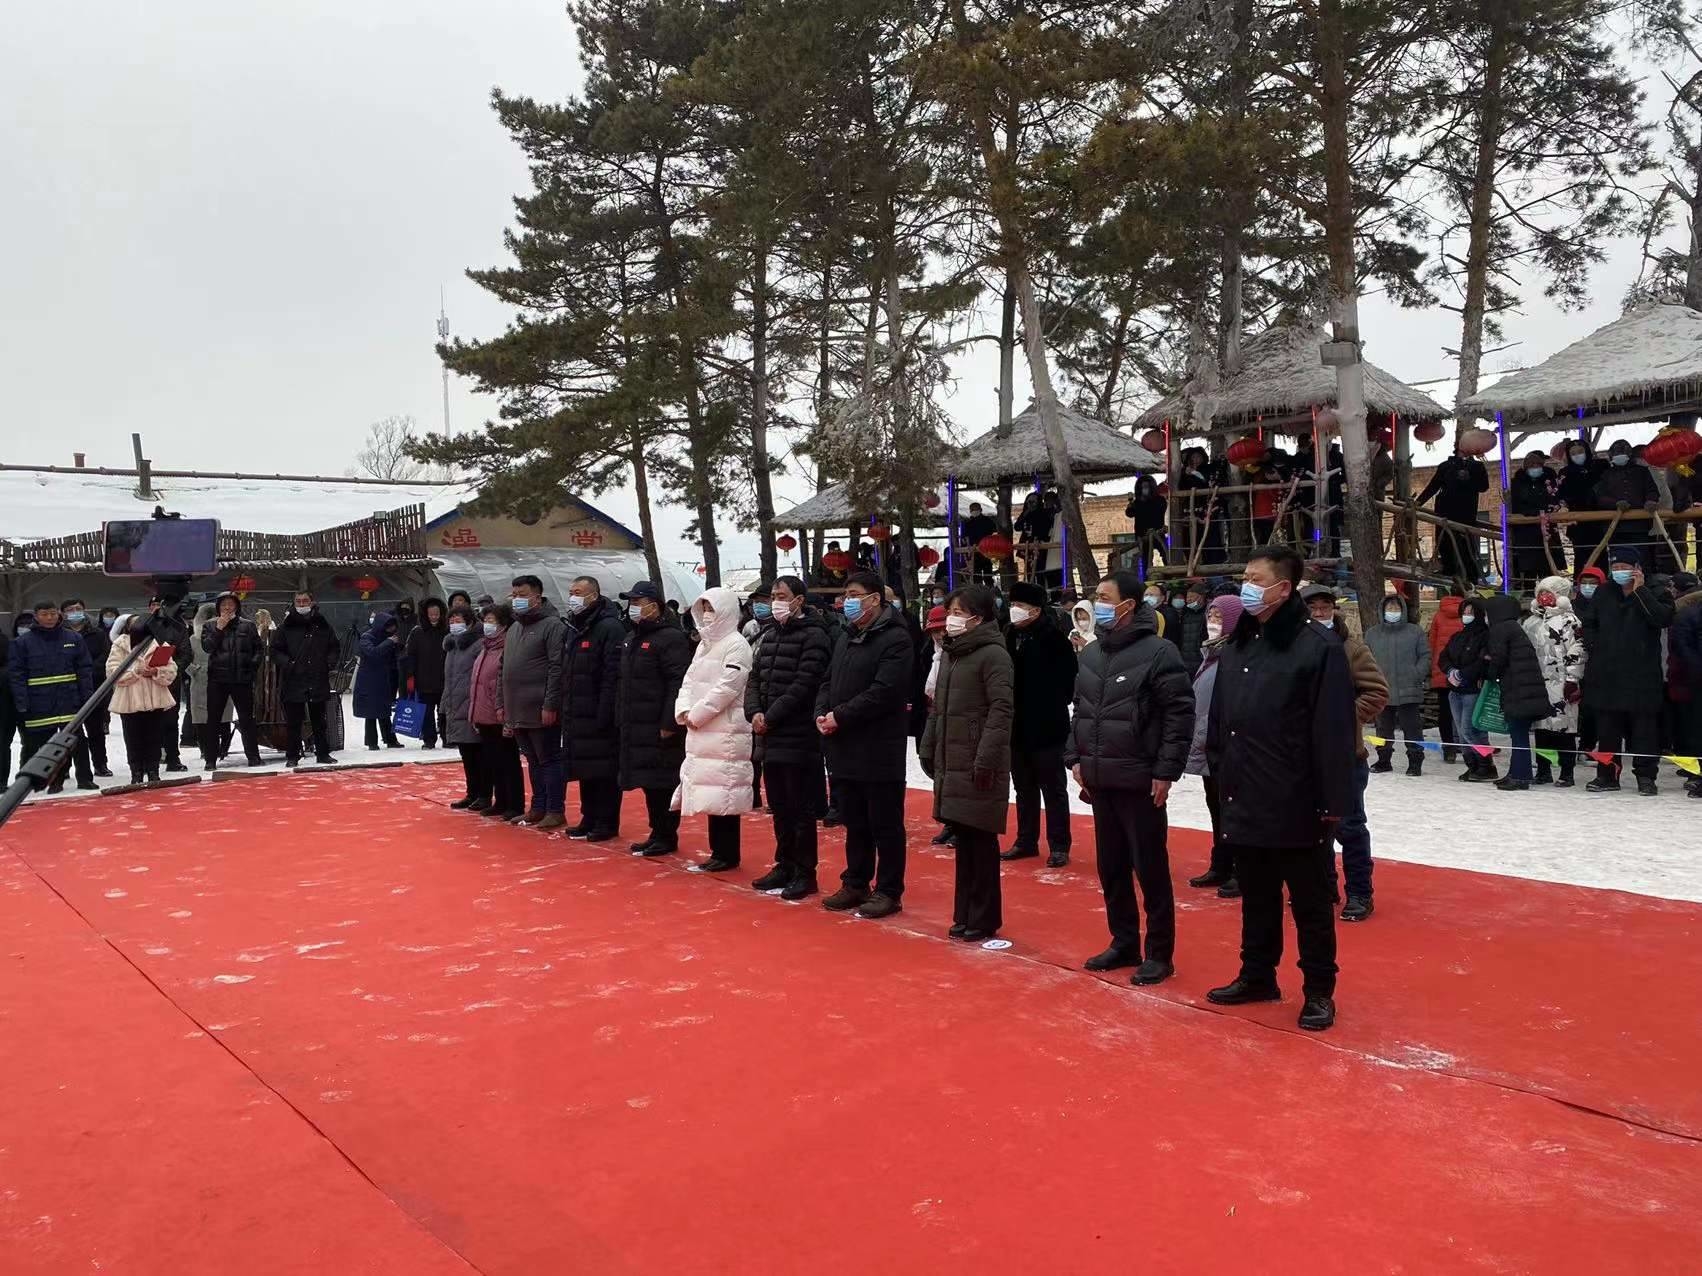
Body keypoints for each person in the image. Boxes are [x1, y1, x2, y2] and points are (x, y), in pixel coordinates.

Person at [1205, 547, 1355, 1031]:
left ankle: (1318, 991)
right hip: (1243, 793)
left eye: (1255, 578)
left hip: (1298, 798)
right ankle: (1257, 975)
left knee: (1310, 902)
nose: (1245, 585)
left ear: (1283, 588)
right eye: (1243, 576)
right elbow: (1221, 722)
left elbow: (1333, 731)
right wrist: (1218, 771)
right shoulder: (1238, 645)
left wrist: (1332, 803)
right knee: (1256, 895)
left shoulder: (1318, 646)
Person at [1066, 569, 1194, 985]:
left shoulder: (1160, 653)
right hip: (1100, 778)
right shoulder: (1091, 654)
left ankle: (1160, 952)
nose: (1097, 603)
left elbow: (1179, 716)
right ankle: (1123, 941)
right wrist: (1075, 757)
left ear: (1128, 605)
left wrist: (1166, 771)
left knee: (1150, 868)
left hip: (1141, 778)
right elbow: (1081, 711)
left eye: (1105, 597)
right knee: (1112, 867)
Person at [816, 571, 915, 918]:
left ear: (875, 598)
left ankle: (888, 890)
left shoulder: (896, 639)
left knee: (884, 823)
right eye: (845, 594)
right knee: (854, 821)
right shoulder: (846, 635)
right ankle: (855, 881)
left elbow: (884, 692)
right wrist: (822, 712)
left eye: (854, 593)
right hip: (844, 745)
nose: (847, 600)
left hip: (878, 747)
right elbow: (828, 679)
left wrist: (839, 715)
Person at [919, 585, 1014, 941]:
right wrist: (929, 747)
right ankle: (965, 912)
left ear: (980, 615)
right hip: (953, 757)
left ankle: (984, 916)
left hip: (977, 759)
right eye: (951, 610)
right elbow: (938, 709)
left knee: (981, 842)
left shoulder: (993, 655)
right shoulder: (952, 653)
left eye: (959, 610)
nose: (953, 617)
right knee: (964, 841)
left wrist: (986, 757)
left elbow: (1001, 710)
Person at [1300, 584, 1389, 923]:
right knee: (1310, 827)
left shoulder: (1350, 648)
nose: (1320, 614)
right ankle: (1323, 887)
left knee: (1349, 826)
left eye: (1325, 607)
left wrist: (1343, 716)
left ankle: (1360, 892)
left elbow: (1377, 691)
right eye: (1313, 608)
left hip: (1344, 755)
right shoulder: (1292, 648)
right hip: (1304, 755)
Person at [746, 576, 833, 897]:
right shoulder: (769, 635)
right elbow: (755, 678)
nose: (775, 601)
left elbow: (805, 683)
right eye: (773, 595)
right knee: (780, 806)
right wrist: (753, 711)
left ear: (799, 600)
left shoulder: (815, 635)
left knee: (801, 808)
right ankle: (784, 863)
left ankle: (804, 871)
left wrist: (771, 716)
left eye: (782, 595)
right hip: (770, 735)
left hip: (798, 734)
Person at [1581, 548, 1675, 795]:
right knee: (1607, 731)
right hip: (1607, 674)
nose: (1619, 571)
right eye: (1616, 567)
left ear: (1638, 567)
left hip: (1641, 676)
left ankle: (1646, 777)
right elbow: (1589, 622)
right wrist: (1595, 645)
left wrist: (1640, 590)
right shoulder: (1604, 592)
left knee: (1645, 732)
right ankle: (1607, 776)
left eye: (1625, 566)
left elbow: (1662, 618)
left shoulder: (1657, 591)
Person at [674, 586, 754, 872]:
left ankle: (727, 853)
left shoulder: (736, 644)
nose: (707, 615)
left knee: (726, 791)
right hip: (702, 728)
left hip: (726, 729)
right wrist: (684, 710)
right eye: (704, 608)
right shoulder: (705, 644)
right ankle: (718, 850)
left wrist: (697, 714)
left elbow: (728, 687)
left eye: (712, 609)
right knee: (712, 791)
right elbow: (688, 680)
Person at [1001, 580, 1076, 868]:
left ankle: (1059, 844)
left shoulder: (1054, 639)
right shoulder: (1007, 634)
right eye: (1012, 605)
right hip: (1016, 726)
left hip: (1047, 726)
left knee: (1053, 788)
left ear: (1035, 610)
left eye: (1020, 606)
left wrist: (1046, 699)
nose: (1014, 611)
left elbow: (1068, 682)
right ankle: (1026, 840)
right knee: (1023, 787)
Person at [617, 581, 691, 857]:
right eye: (631, 602)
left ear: (654, 605)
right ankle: (656, 831)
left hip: (659, 723)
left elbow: (677, 683)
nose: (633, 608)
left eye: (638, 602)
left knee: (663, 781)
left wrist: (669, 723)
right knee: (648, 782)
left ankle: (666, 834)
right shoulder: (631, 637)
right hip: (636, 721)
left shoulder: (670, 637)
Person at [1184, 595, 1244, 898]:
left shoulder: (1237, 657)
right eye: (1211, 616)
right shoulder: (1210, 654)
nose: (1213, 623)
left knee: (1233, 811)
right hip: (1209, 746)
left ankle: (1240, 870)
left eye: (1220, 617)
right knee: (1216, 808)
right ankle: (1220, 863)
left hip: (1230, 748)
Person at [560, 576, 626, 841]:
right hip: (578, 710)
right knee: (586, 769)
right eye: (571, 592)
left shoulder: (609, 627)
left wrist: (605, 711)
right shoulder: (575, 626)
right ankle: (589, 816)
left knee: (605, 771)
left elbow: (612, 674)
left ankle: (606, 821)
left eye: (578, 592)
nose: (573, 597)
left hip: (600, 711)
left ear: (594, 595)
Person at [10, 599, 98, 793]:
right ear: (36, 617)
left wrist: (87, 697)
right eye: (44, 614)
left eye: (52, 613)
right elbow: (17, 674)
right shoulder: (22, 643)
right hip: (38, 703)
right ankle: (49, 782)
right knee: (41, 746)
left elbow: (84, 669)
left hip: (70, 700)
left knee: (77, 743)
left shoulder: (73, 638)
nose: (49, 618)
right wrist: (22, 702)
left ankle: (85, 778)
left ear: (58, 614)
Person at [503, 575, 567, 827]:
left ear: (537, 597)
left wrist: (550, 703)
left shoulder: (552, 626)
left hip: (541, 707)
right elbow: (503, 669)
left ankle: (555, 808)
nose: (517, 599)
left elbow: (556, 667)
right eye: (514, 594)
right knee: (532, 759)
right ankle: (538, 806)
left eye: (522, 594)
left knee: (549, 758)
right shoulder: (515, 627)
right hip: (517, 708)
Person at [1480, 593, 1553, 791]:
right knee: (1518, 733)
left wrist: (1488, 672)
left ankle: (1520, 776)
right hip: (1526, 689)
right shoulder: (1514, 627)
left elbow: (1499, 658)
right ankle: (1516, 772)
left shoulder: (1500, 629)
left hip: (1518, 690)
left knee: (1519, 734)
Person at [1524, 576, 1587, 787]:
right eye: (1540, 593)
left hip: (1562, 683)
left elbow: (1578, 650)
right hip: (1538, 683)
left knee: (1564, 730)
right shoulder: (1531, 622)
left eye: (1549, 593)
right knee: (1541, 730)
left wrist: (1572, 678)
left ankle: (1567, 772)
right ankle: (1543, 770)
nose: (1544, 597)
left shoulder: (1571, 621)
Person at [106, 611, 178, 785]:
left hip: (155, 698)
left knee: (155, 737)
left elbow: (171, 669)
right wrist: (135, 672)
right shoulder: (120, 644)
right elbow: (112, 671)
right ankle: (136, 772)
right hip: (130, 698)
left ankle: (153, 771)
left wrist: (156, 671)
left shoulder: (160, 643)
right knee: (133, 738)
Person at [1364, 593, 1431, 775]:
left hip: (1409, 689)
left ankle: (1415, 762)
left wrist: (1416, 674)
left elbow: (1425, 656)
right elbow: (1365, 660)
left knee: (1413, 729)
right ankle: (1383, 760)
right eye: (1389, 608)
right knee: (1382, 729)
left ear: (1402, 610)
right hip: (1382, 691)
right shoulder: (1372, 634)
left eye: (1396, 608)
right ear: (1382, 611)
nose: (1392, 611)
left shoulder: (1414, 632)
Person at [272, 591, 341, 767]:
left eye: (305, 601)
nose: (302, 604)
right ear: (294, 603)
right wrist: (288, 664)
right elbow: (275, 650)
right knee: (294, 721)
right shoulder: (286, 626)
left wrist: (329, 663)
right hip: (294, 679)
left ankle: (323, 753)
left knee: (320, 720)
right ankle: (292, 756)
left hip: (317, 677)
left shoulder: (322, 624)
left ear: (312, 602)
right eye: (298, 601)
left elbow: (334, 646)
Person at [198, 591, 265, 771]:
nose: (227, 608)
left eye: (231, 604)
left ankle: (253, 756)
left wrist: (251, 667)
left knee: (246, 719)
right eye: (224, 605)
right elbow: (207, 647)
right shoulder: (210, 625)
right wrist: (219, 628)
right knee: (213, 720)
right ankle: (210, 759)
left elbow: (259, 649)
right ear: (218, 607)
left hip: (242, 679)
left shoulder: (248, 626)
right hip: (218, 680)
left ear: (236, 606)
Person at [470, 603, 525, 820]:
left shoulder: (507, 647)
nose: (487, 625)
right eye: (485, 620)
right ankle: (500, 801)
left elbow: (505, 682)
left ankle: (514, 803)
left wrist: (505, 710)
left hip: (500, 713)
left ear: (503, 624)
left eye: (491, 620)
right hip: (484, 713)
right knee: (493, 760)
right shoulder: (485, 647)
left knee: (508, 760)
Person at [1439, 597, 1495, 781]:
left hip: (1473, 690)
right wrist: (1450, 671)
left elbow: (1482, 663)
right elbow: (1443, 657)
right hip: (1455, 691)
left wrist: (1463, 674)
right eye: (1464, 612)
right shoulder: (1457, 636)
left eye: (1470, 613)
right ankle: (1472, 765)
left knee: (1471, 730)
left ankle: (1486, 765)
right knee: (1461, 734)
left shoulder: (1486, 636)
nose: (1467, 616)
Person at [1417, 443, 1490, 582]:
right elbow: (1433, 486)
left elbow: (1483, 487)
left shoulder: (1477, 467)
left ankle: (1471, 577)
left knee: (1466, 547)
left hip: (1466, 513)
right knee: (1445, 544)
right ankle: (1448, 571)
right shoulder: (1446, 466)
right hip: (1445, 512)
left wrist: (1469, 477)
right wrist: (1418, 503)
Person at [441, 604, 489, 810]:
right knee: (466, 754)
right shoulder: (452, 646)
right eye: (451, 621)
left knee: (479, 754)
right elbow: (450, 679)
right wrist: (445, 705)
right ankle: (472, 793)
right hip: (455, 706)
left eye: (458, 620)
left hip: (472, 705)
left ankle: (484, 794)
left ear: (469, 621)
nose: (454, 625)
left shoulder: (478, 645)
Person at [63, 598, 113, 777]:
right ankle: (66, 768)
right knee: (70, 732)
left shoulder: (98, 634)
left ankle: (100, 765)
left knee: (96, 731)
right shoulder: (61, 634)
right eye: (70, 609)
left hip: (94, 687)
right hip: (68, 689)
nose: (75, 612)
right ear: (64, 613)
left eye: (78, 608)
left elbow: (106, 656)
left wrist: (87, 670)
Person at [1593, 439, 1661, 564]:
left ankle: (1642, 581)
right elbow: (1599, 497)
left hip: (1639, 525)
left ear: (1630, 456)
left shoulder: (1642, 471)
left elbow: (1652, 490)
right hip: (1615, 526)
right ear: (1611, 456)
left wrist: (1650, 501)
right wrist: (1615, 504)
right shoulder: (1606, 474)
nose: (1620, 457)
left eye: (1623, 454)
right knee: (1618, 560)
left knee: (1641, 559)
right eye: (1616, 454)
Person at [1509, 452, 1565, 587]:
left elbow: (1555, 499)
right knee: (1530, 570)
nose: (1535, 468)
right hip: (1526, 533)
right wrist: (1531, 513)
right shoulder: (1518, 483)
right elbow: (1516, 504)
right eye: (1532, 465)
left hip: (1547, 530)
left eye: (1538, 465)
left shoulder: (1548, 481)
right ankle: (1529, 593)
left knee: (1548, 569)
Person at [400, 596, 449, 750]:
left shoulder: (447, 631)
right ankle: (429, 739)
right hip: (424, 680)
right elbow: (411, 655)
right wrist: (410, 676)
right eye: (431, 614)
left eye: (437, 614)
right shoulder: (418, 632)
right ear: (426, 615)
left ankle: (447, 738)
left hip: (444, 679)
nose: (434, 617)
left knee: (445, 712)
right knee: (426, 712)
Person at [354, 610, 403, 752]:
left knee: (384, 711)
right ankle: (372, 741)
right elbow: (373, 653)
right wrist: (389, 642)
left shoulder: (386, 638)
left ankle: (390, 739)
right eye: (389, 627)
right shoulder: (367, 637)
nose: (391, 630)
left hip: (384, 679)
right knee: (371, 713)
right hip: (369, 680)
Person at [1426, 594, 1465, 762]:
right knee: (1466, 709)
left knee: (1445, 711)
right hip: (1463, 670)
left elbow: (1432, 644)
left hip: (1442, 669)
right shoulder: (1468, 614)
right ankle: (1467, 744)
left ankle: (1448, 746)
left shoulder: (1438, 616)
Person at [1556, 439, 1603, 573]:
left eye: (1580, 451)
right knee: (1581, 555)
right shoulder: (1565, 472)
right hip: (1577, 521)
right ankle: (1579, 584)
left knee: (1600, 554)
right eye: (1573, 453)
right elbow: (1561, 495)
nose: (1577, 455)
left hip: (1599, 519)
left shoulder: (1599, 466)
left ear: (1587, 451)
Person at [1125, 475, 1168, 573]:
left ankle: (1170, 575)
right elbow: (1129, 514)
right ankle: (1145, 580)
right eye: (1143, 487)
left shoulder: (1159, 500)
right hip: (1142, 536)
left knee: (1166, 554)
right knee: (1145, 560)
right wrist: (1131, 505)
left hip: (1158, 533)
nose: (1145, 490)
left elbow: (1162, 509)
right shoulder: (1137, 502)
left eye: (1146, 487)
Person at [959, 502, 998, 584]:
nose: (974, 511)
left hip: (986, 551)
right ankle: (978, 592)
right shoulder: (968, 523)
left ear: (980, 510)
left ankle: (989, 591)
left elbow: (994, 534)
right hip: (974, 552)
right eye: (972, 510)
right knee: (976, 575)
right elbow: (964, 538)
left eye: (976, 509)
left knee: (988, 575)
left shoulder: (988, 521)